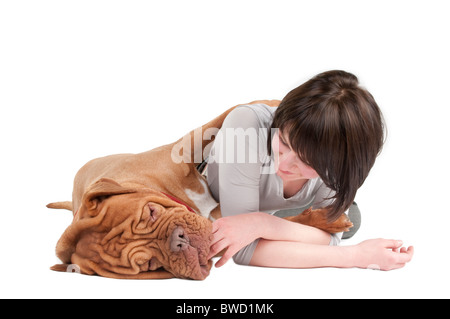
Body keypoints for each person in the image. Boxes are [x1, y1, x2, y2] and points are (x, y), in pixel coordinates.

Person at [206, 70, 413, 270]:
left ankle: (276, 216)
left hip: (274, 209)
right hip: (220, 200)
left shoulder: (338, 162)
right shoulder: (246, 126)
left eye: (307, 162)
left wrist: (261, 223)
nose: (284, 165)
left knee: (349, 222)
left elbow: (330, 237)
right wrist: (356, 255)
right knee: (340, 223)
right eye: (284, 142)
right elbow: (243, 250)